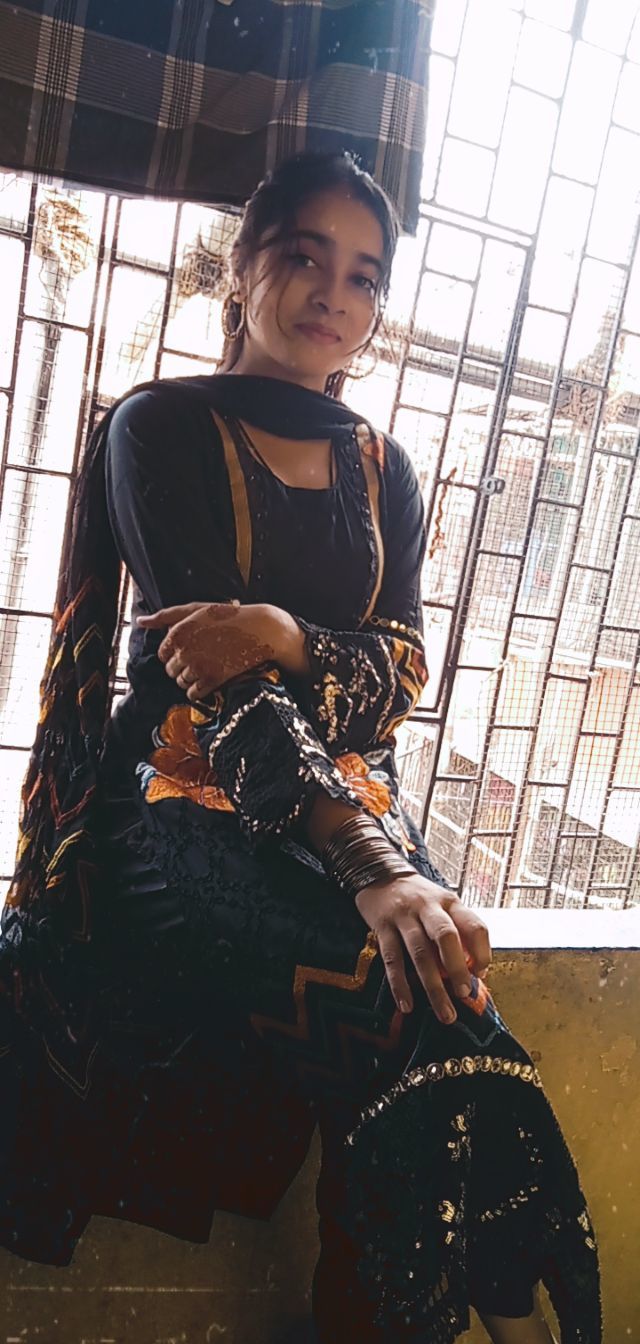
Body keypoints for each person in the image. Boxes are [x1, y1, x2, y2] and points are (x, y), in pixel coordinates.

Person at [0, 150, 601, 1344]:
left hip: (355, 796)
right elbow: (216, 687)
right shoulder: (160, 426)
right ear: (242, 266)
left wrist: (283, 633)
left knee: (444, 1021)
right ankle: (500, 1313)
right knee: (407, 1009)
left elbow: (404, 674)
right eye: (304, 257)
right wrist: (375, 868)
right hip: (177, 807)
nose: (334, 293)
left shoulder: (385, 470)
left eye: (364, 275)